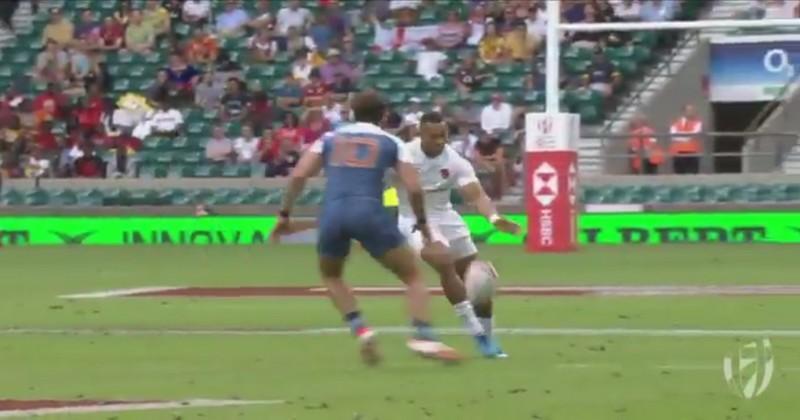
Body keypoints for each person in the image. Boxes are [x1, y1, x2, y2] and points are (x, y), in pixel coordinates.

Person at [271, 91, 462, 364]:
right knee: (413, 277)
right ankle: (423, 336)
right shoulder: (392, 142)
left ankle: (361, 330)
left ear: (350, 112)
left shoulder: (328, 139)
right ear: (384, 115)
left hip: (333, 213)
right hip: (369, 211)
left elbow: (299, 174)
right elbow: (414, 188)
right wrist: (422, 225)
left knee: (332, 276)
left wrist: (284, 214)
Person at [392, 112, 518, 358]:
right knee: (444, 263)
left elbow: (476, 195)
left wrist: (493, 217)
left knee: (477, 278)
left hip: (446, 217)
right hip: (414, 220)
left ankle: (489, 338)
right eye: (434, 136)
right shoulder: (403, 155)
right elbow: (378, 183)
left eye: (444, 135)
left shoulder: (455, 160)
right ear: (421, 134)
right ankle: (478, 337)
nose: (440, 141)